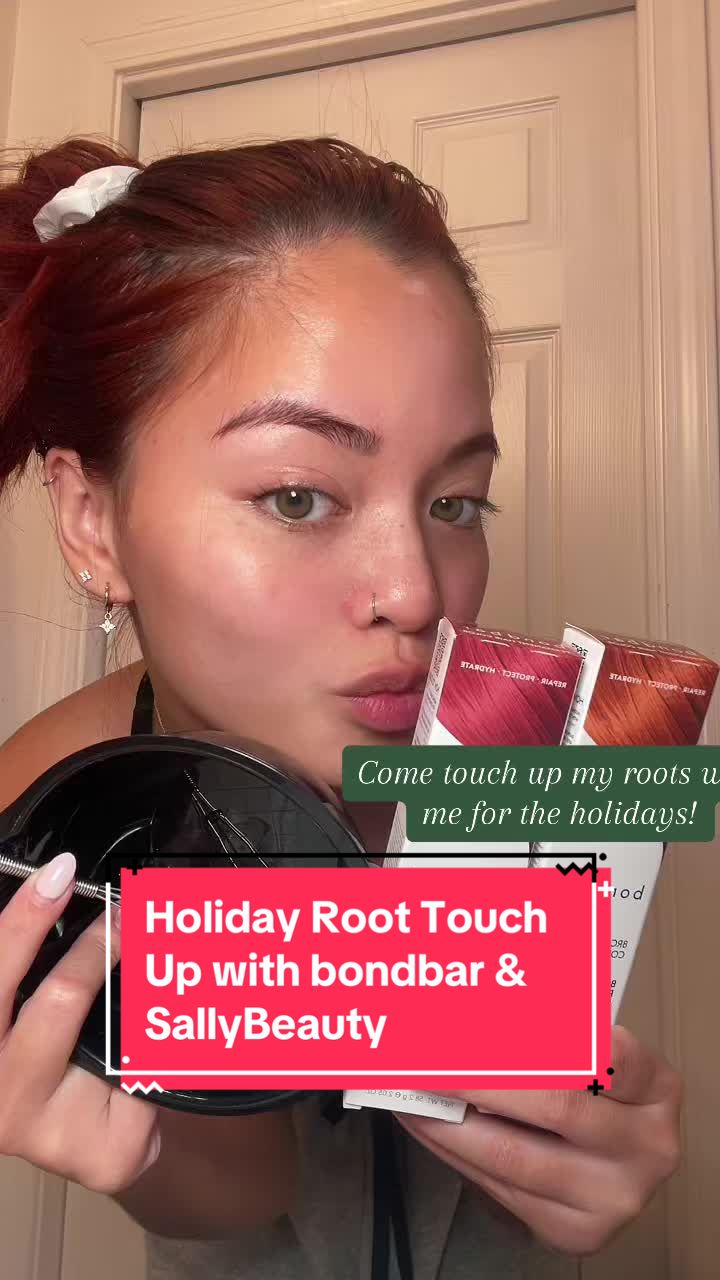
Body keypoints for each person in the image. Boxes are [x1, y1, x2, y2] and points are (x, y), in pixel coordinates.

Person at [0, 137, 681, 1279]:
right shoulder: (50, 818)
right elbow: (243, 1190)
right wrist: (146, 1153)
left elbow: (559, 1083)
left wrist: (598, 1151)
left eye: (456, 502)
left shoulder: (520, 750)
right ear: (91, 520)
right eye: (297, 496)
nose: (419, 594)